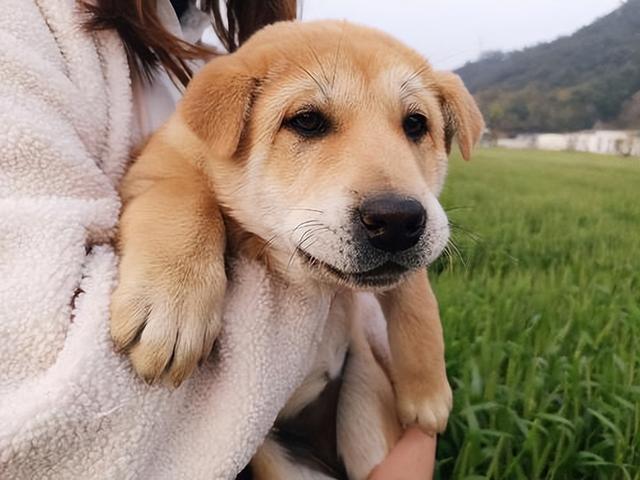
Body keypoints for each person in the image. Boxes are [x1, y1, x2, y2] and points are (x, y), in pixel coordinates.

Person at [0, 0, 436, 478]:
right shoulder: (22, 32)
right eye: (309, 119)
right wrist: (184, 242)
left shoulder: (204, 51)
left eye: (414, 123)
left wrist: (414, 408)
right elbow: (39, 382)